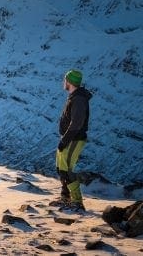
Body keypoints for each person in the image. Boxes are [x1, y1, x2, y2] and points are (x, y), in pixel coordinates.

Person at [54, 69, 92, 212]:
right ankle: (65, 198)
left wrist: (65, 140)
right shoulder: (74, 97)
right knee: (61, 169)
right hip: (69, 138)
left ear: (69, 82)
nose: (64, 82)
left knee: (67, 170)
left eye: (65, 80)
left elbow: (77, 123)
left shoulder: (78, 99)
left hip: (73, 140)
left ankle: (77, 202)